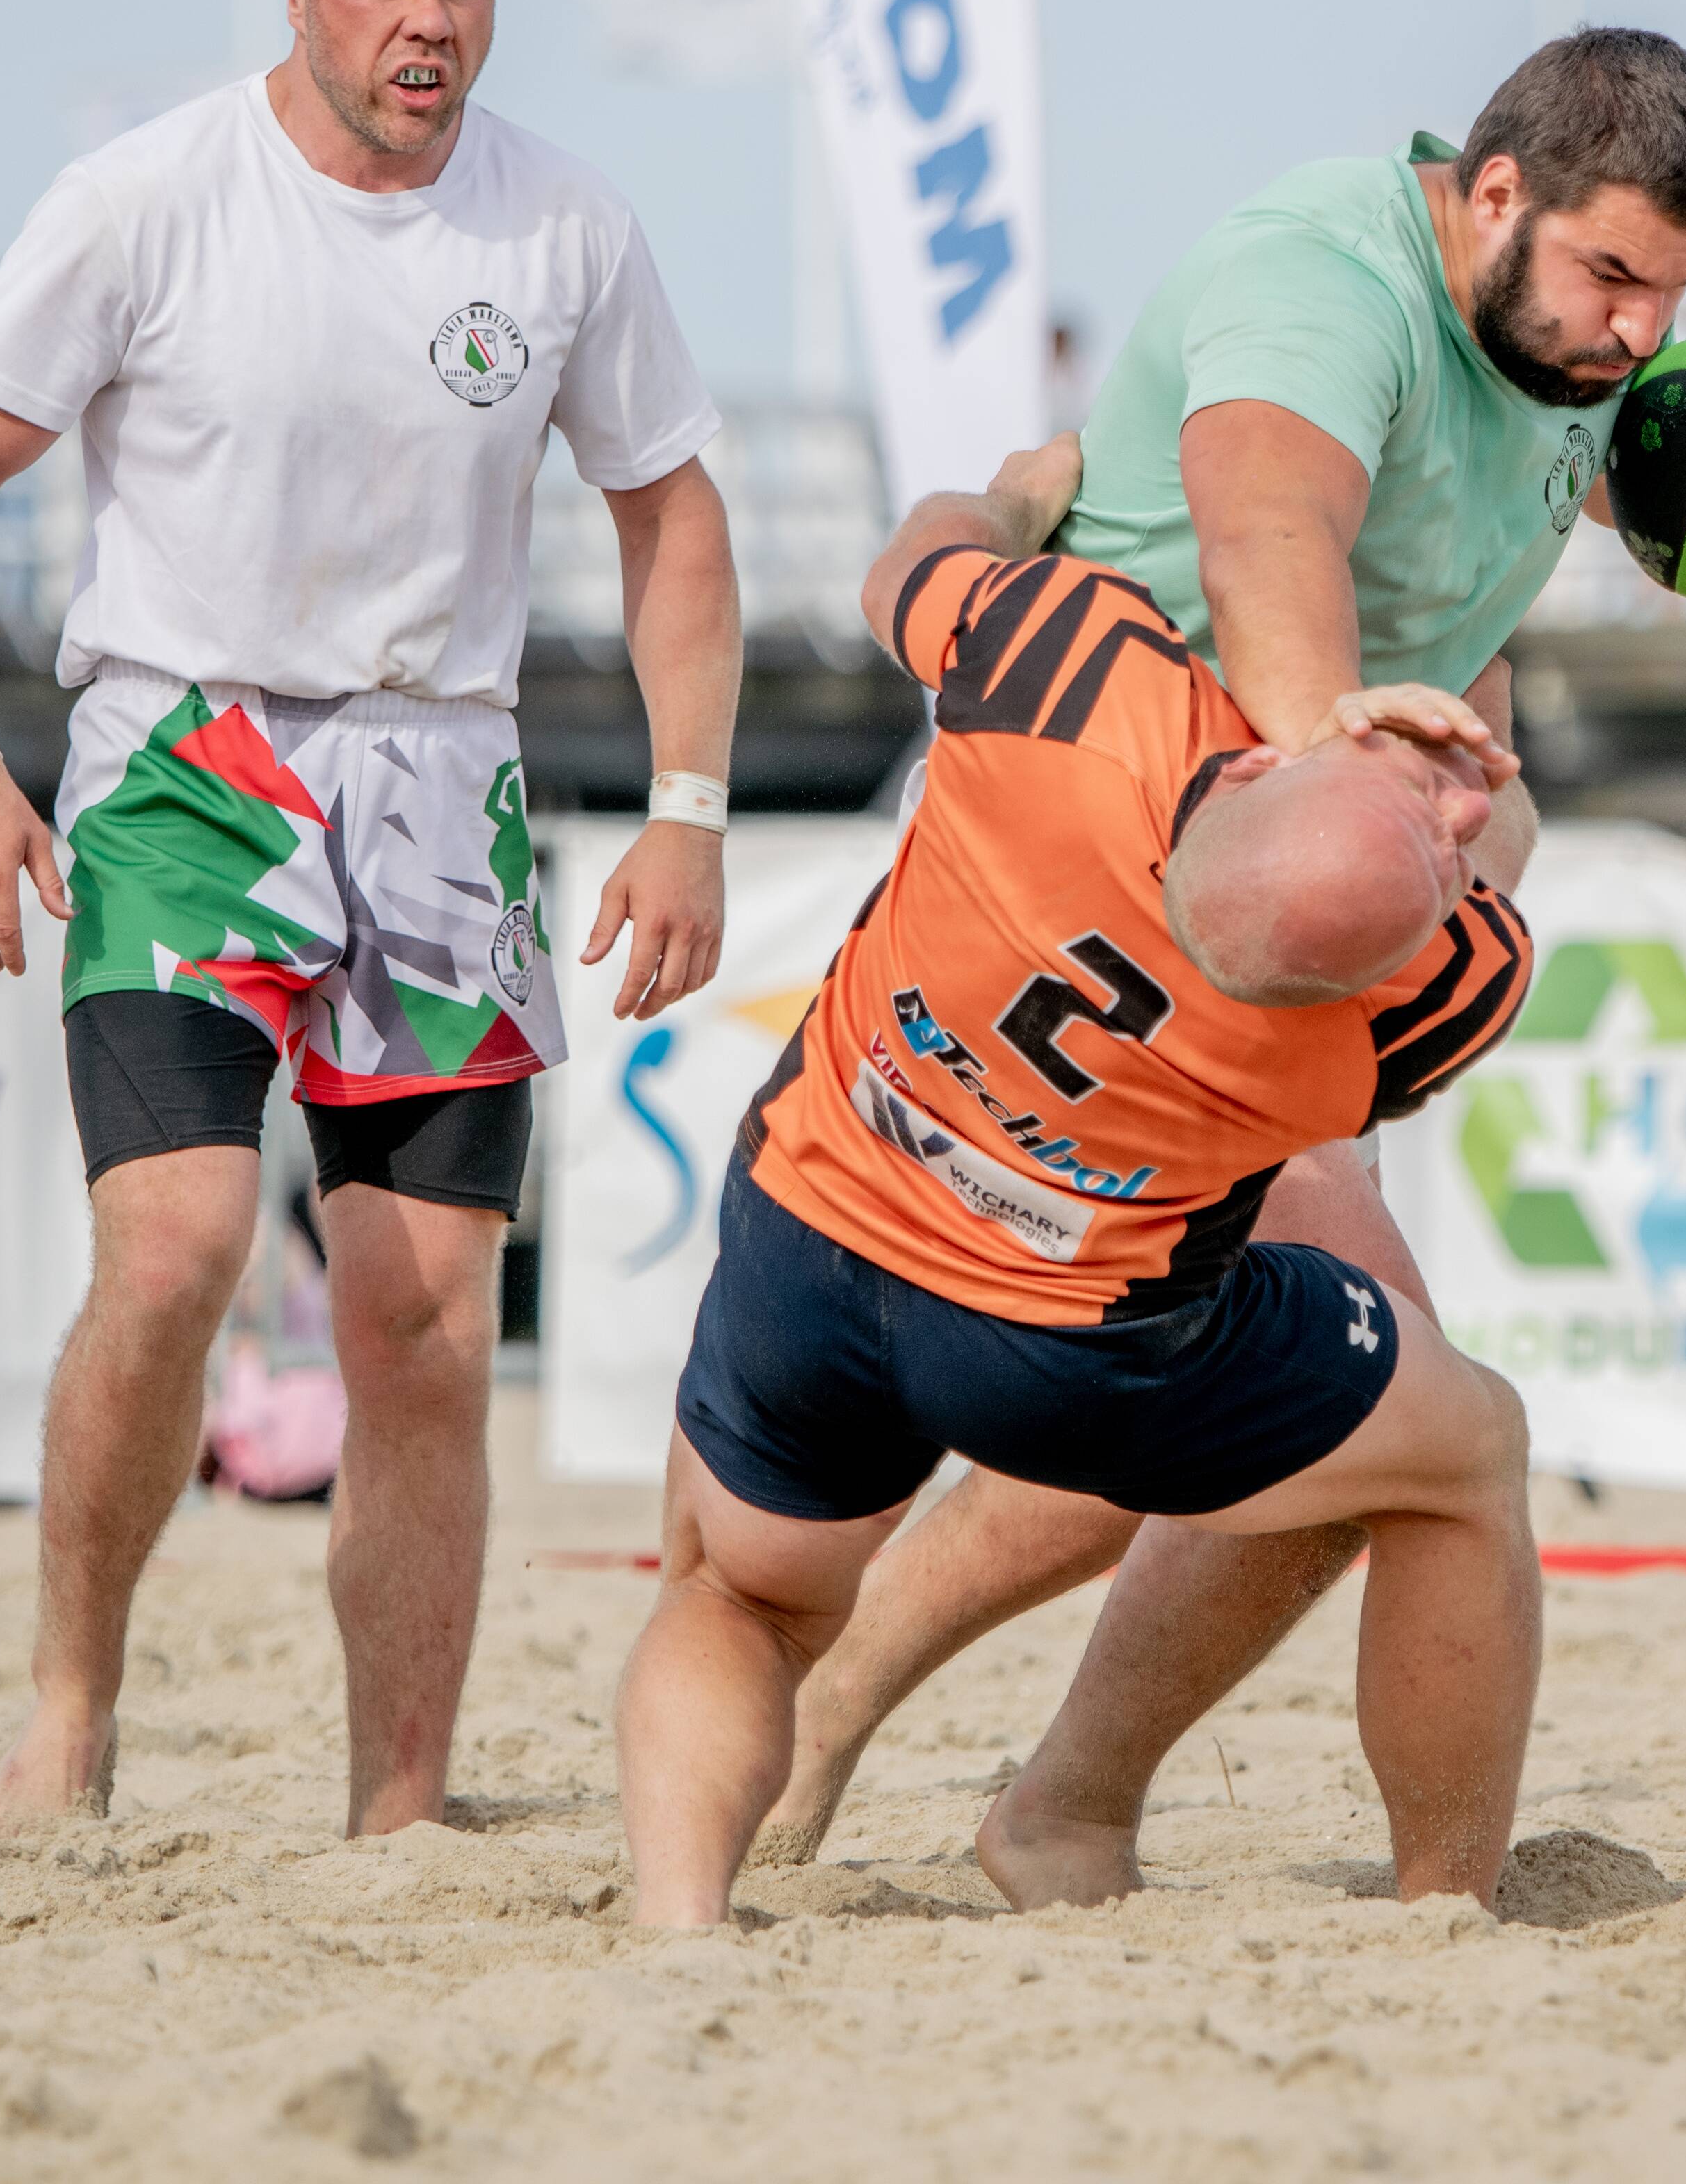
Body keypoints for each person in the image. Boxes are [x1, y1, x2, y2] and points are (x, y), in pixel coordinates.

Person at [759, 28, 1686, 1886]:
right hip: (1150, 876)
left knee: (1259, 1416)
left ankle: (1018, 1786)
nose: (1640, 338)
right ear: (1494, 193)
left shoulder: (1554, 342)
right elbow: (1266, 535)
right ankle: (1248, 1857)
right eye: (1616, 278)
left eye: (1677, 295)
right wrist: (1340, 787)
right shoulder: (1325, 280)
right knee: (1392, 1420)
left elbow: (1627, 480)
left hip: (1295, 935)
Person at [0, 0, 742, 1841]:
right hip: (193, 759)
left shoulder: (567, 225)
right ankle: (72, 1703)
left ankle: (401, 1807)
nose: (429, 26)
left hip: (445, 777)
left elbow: (671, 516)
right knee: (172, 1254)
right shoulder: (145, 198)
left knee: (427, 1326)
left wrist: (688, 807)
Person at [617, 437, 1542, 1925]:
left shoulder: (1077, 671)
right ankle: (1446, 1908)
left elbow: (906, 566)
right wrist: (1465, 743)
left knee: (733, 1595)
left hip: (824, 1220)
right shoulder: (1441, 985)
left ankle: (680, 1920)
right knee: (1464, 1450)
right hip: (1069, 1352)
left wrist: (1014, 503)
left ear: (1249, 755)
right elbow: (1473, 868)